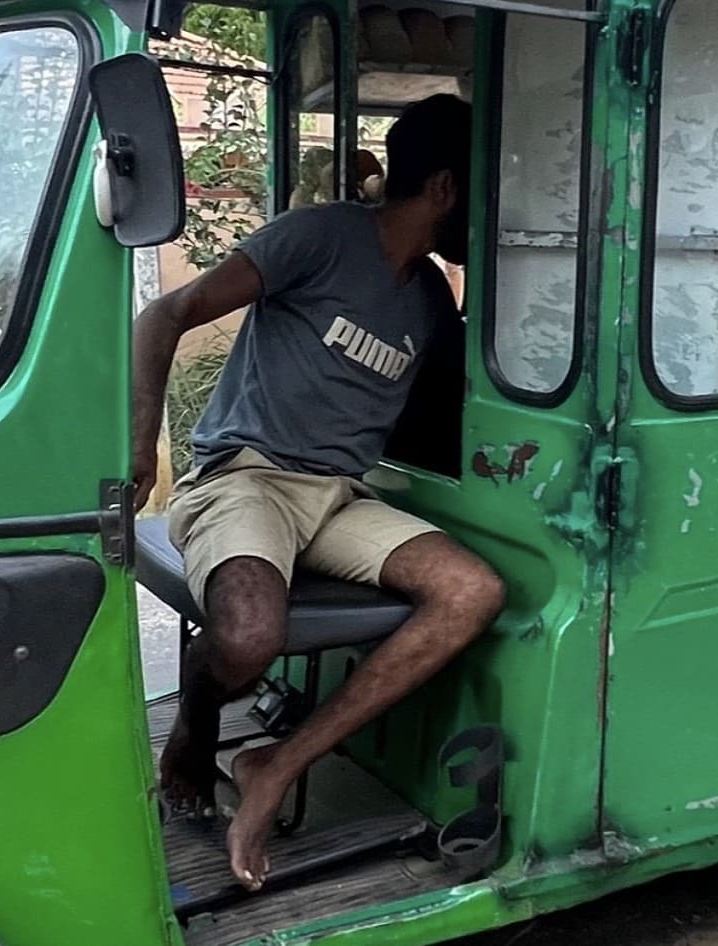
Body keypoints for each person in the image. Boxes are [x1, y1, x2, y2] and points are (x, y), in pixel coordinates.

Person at [131, 94, 505, 892]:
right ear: (443, 189)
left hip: (336, 494)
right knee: (246, 636)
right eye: (483, 194)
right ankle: (196, 728)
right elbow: (164, 314)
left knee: (470, 592)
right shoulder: (322, 238)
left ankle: (274, 766)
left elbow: (452, 404)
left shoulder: (430, 299)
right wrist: (139, 443)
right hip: (247, 474)